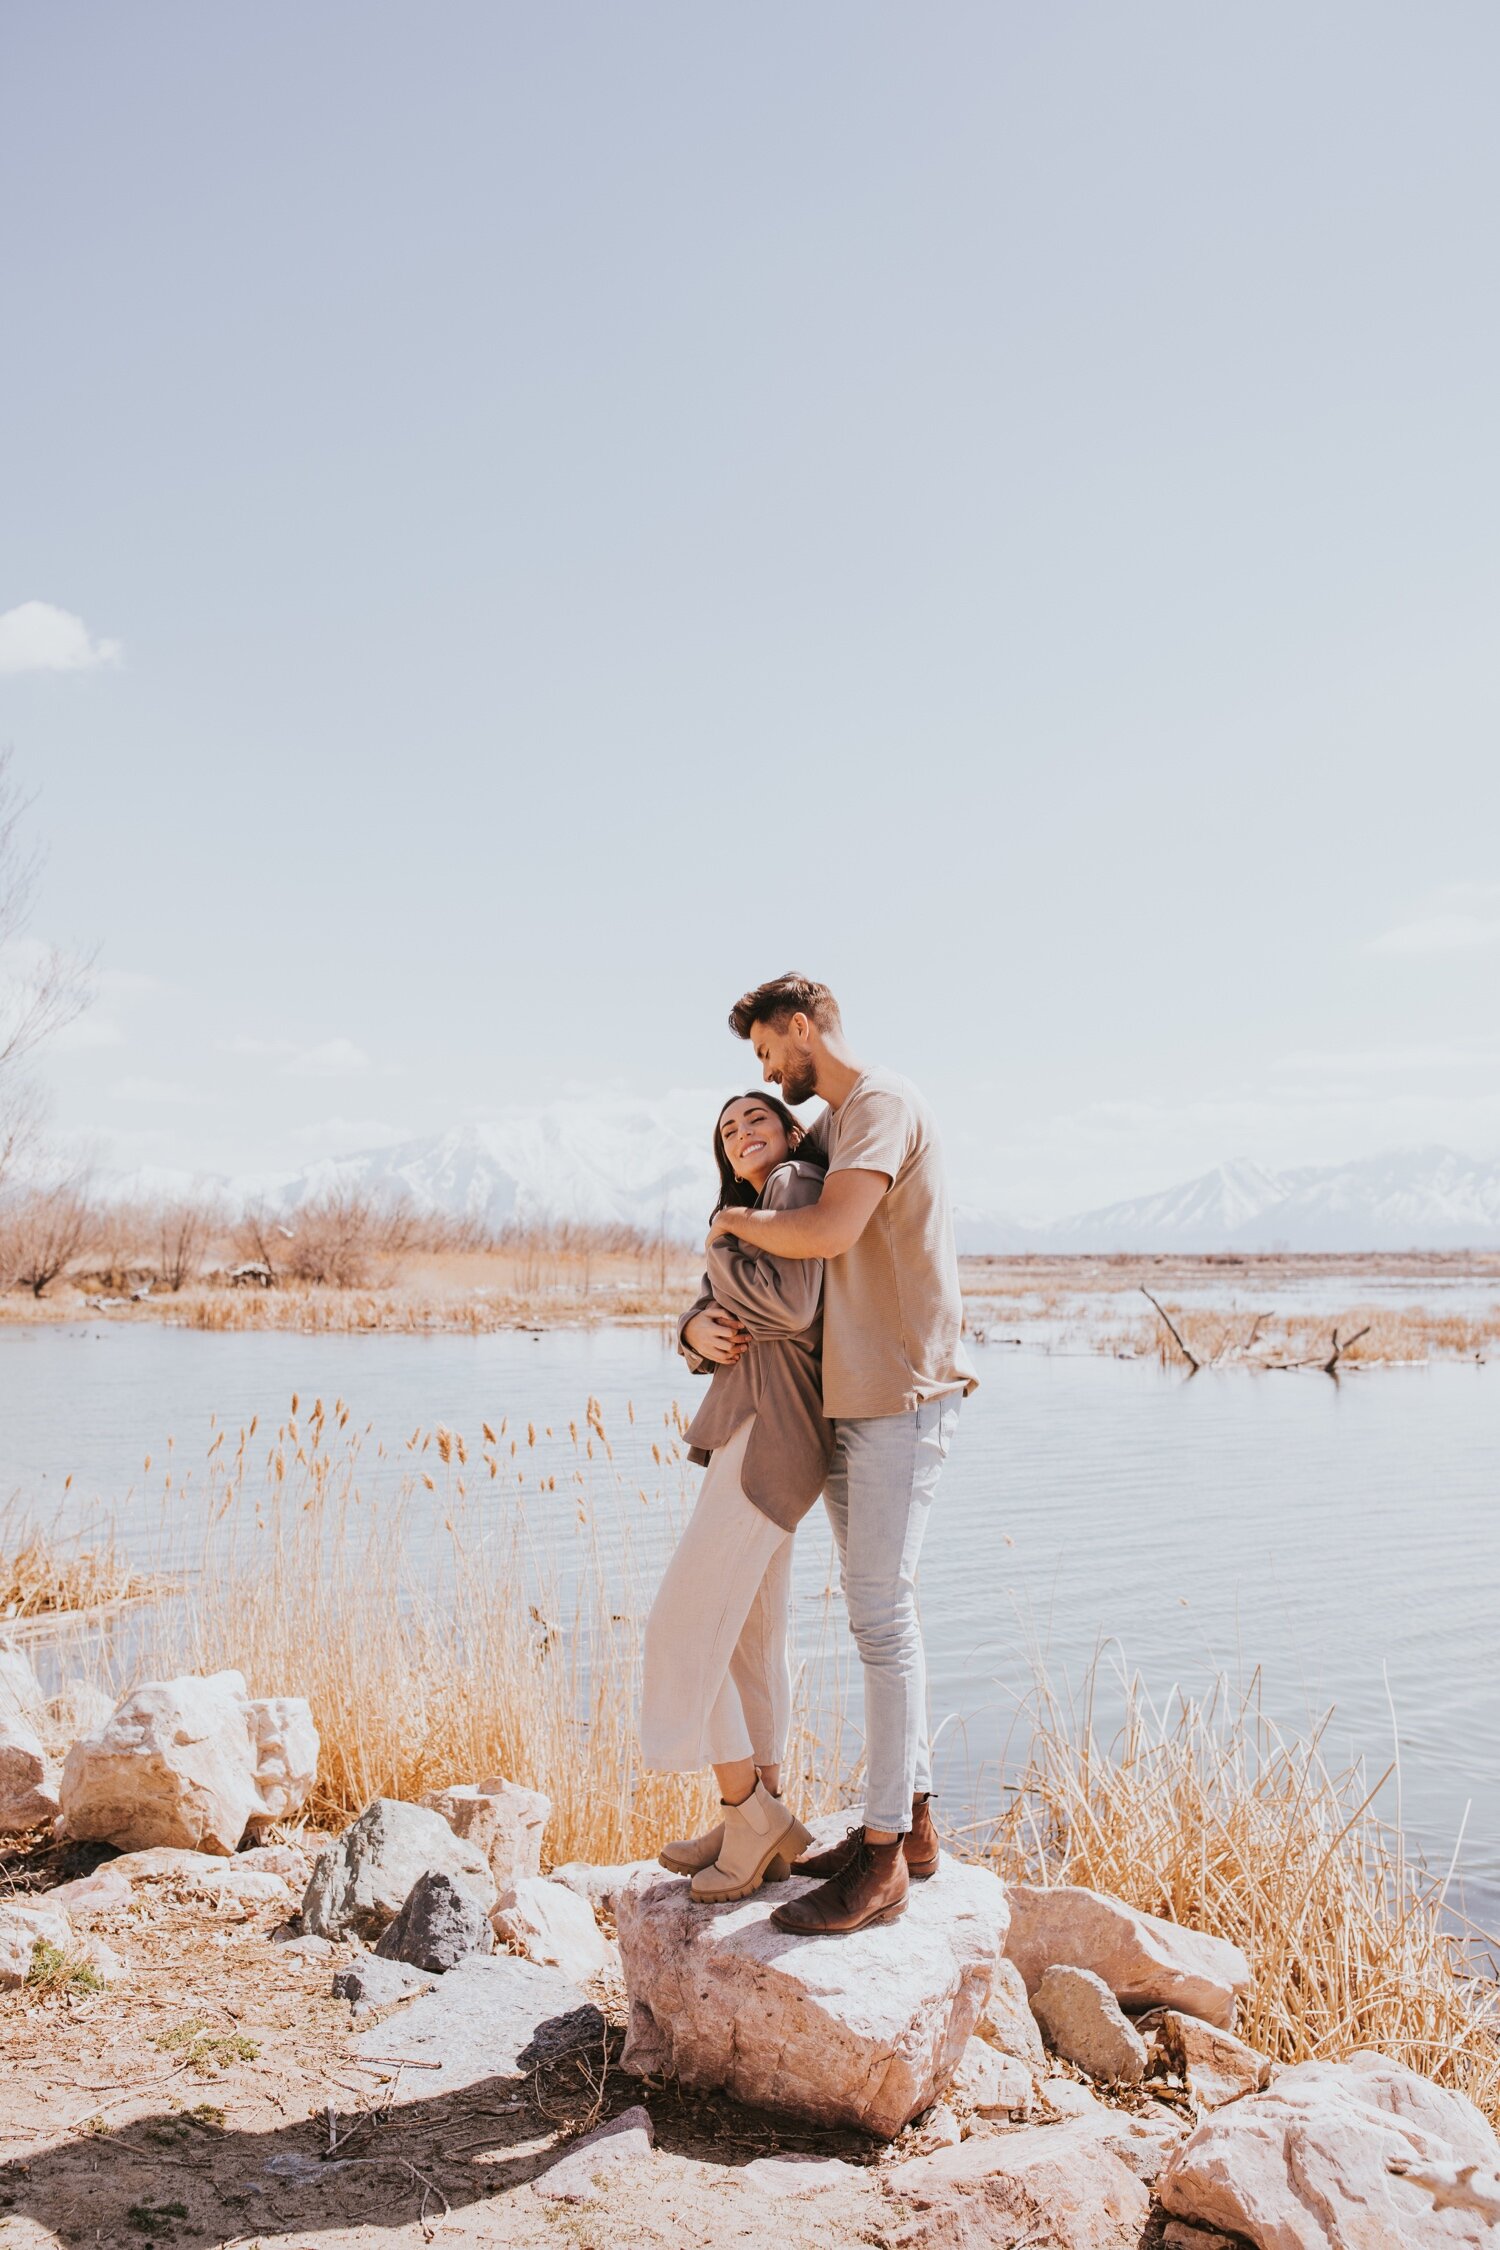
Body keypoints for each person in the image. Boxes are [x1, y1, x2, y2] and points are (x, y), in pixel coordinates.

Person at [706, 972, 977, 1936]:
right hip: (852, 1401)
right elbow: (774, 1178)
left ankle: (879, 1855)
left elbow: (823, 1229)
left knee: (880, 1615)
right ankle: (917, 1829)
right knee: (884, 1616)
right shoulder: (828, 1124)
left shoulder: (882, 1105)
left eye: (767, 1049)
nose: (768, 1070)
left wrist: (730, 1222)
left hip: (902, 1394)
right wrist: (698, 1323)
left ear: (801, 1024)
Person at [638, 1090, 835, 1902]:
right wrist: (691, 1330)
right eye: (726, 1129)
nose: (741, 1133)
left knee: (682, 1628)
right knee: (753, 1635)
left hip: (767, 1439)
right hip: (765, 1438)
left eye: (756, 1117)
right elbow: (723, 1307)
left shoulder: (790, 1188)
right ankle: (768, 1819)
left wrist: (722, 1235)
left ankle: (744, 1807)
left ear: (790, 1132)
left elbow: (790, 1306)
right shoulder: (760, 1210)